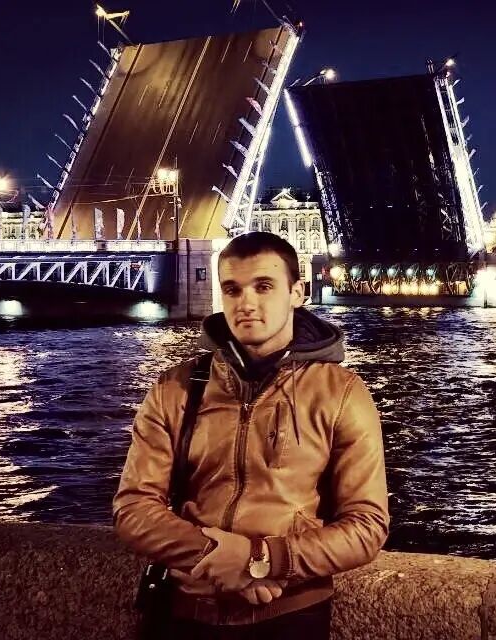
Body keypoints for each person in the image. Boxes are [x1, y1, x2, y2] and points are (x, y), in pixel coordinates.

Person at [114, 232, 389, 639]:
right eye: (232, 289)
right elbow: (133, 507)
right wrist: (217, 557)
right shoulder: (175, 387)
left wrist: (261, 558)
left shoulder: (342, 393)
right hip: (185, 613)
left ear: (297, 293)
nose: (245, 303)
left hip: (289, 617)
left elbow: (367, 526)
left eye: (263, 286)